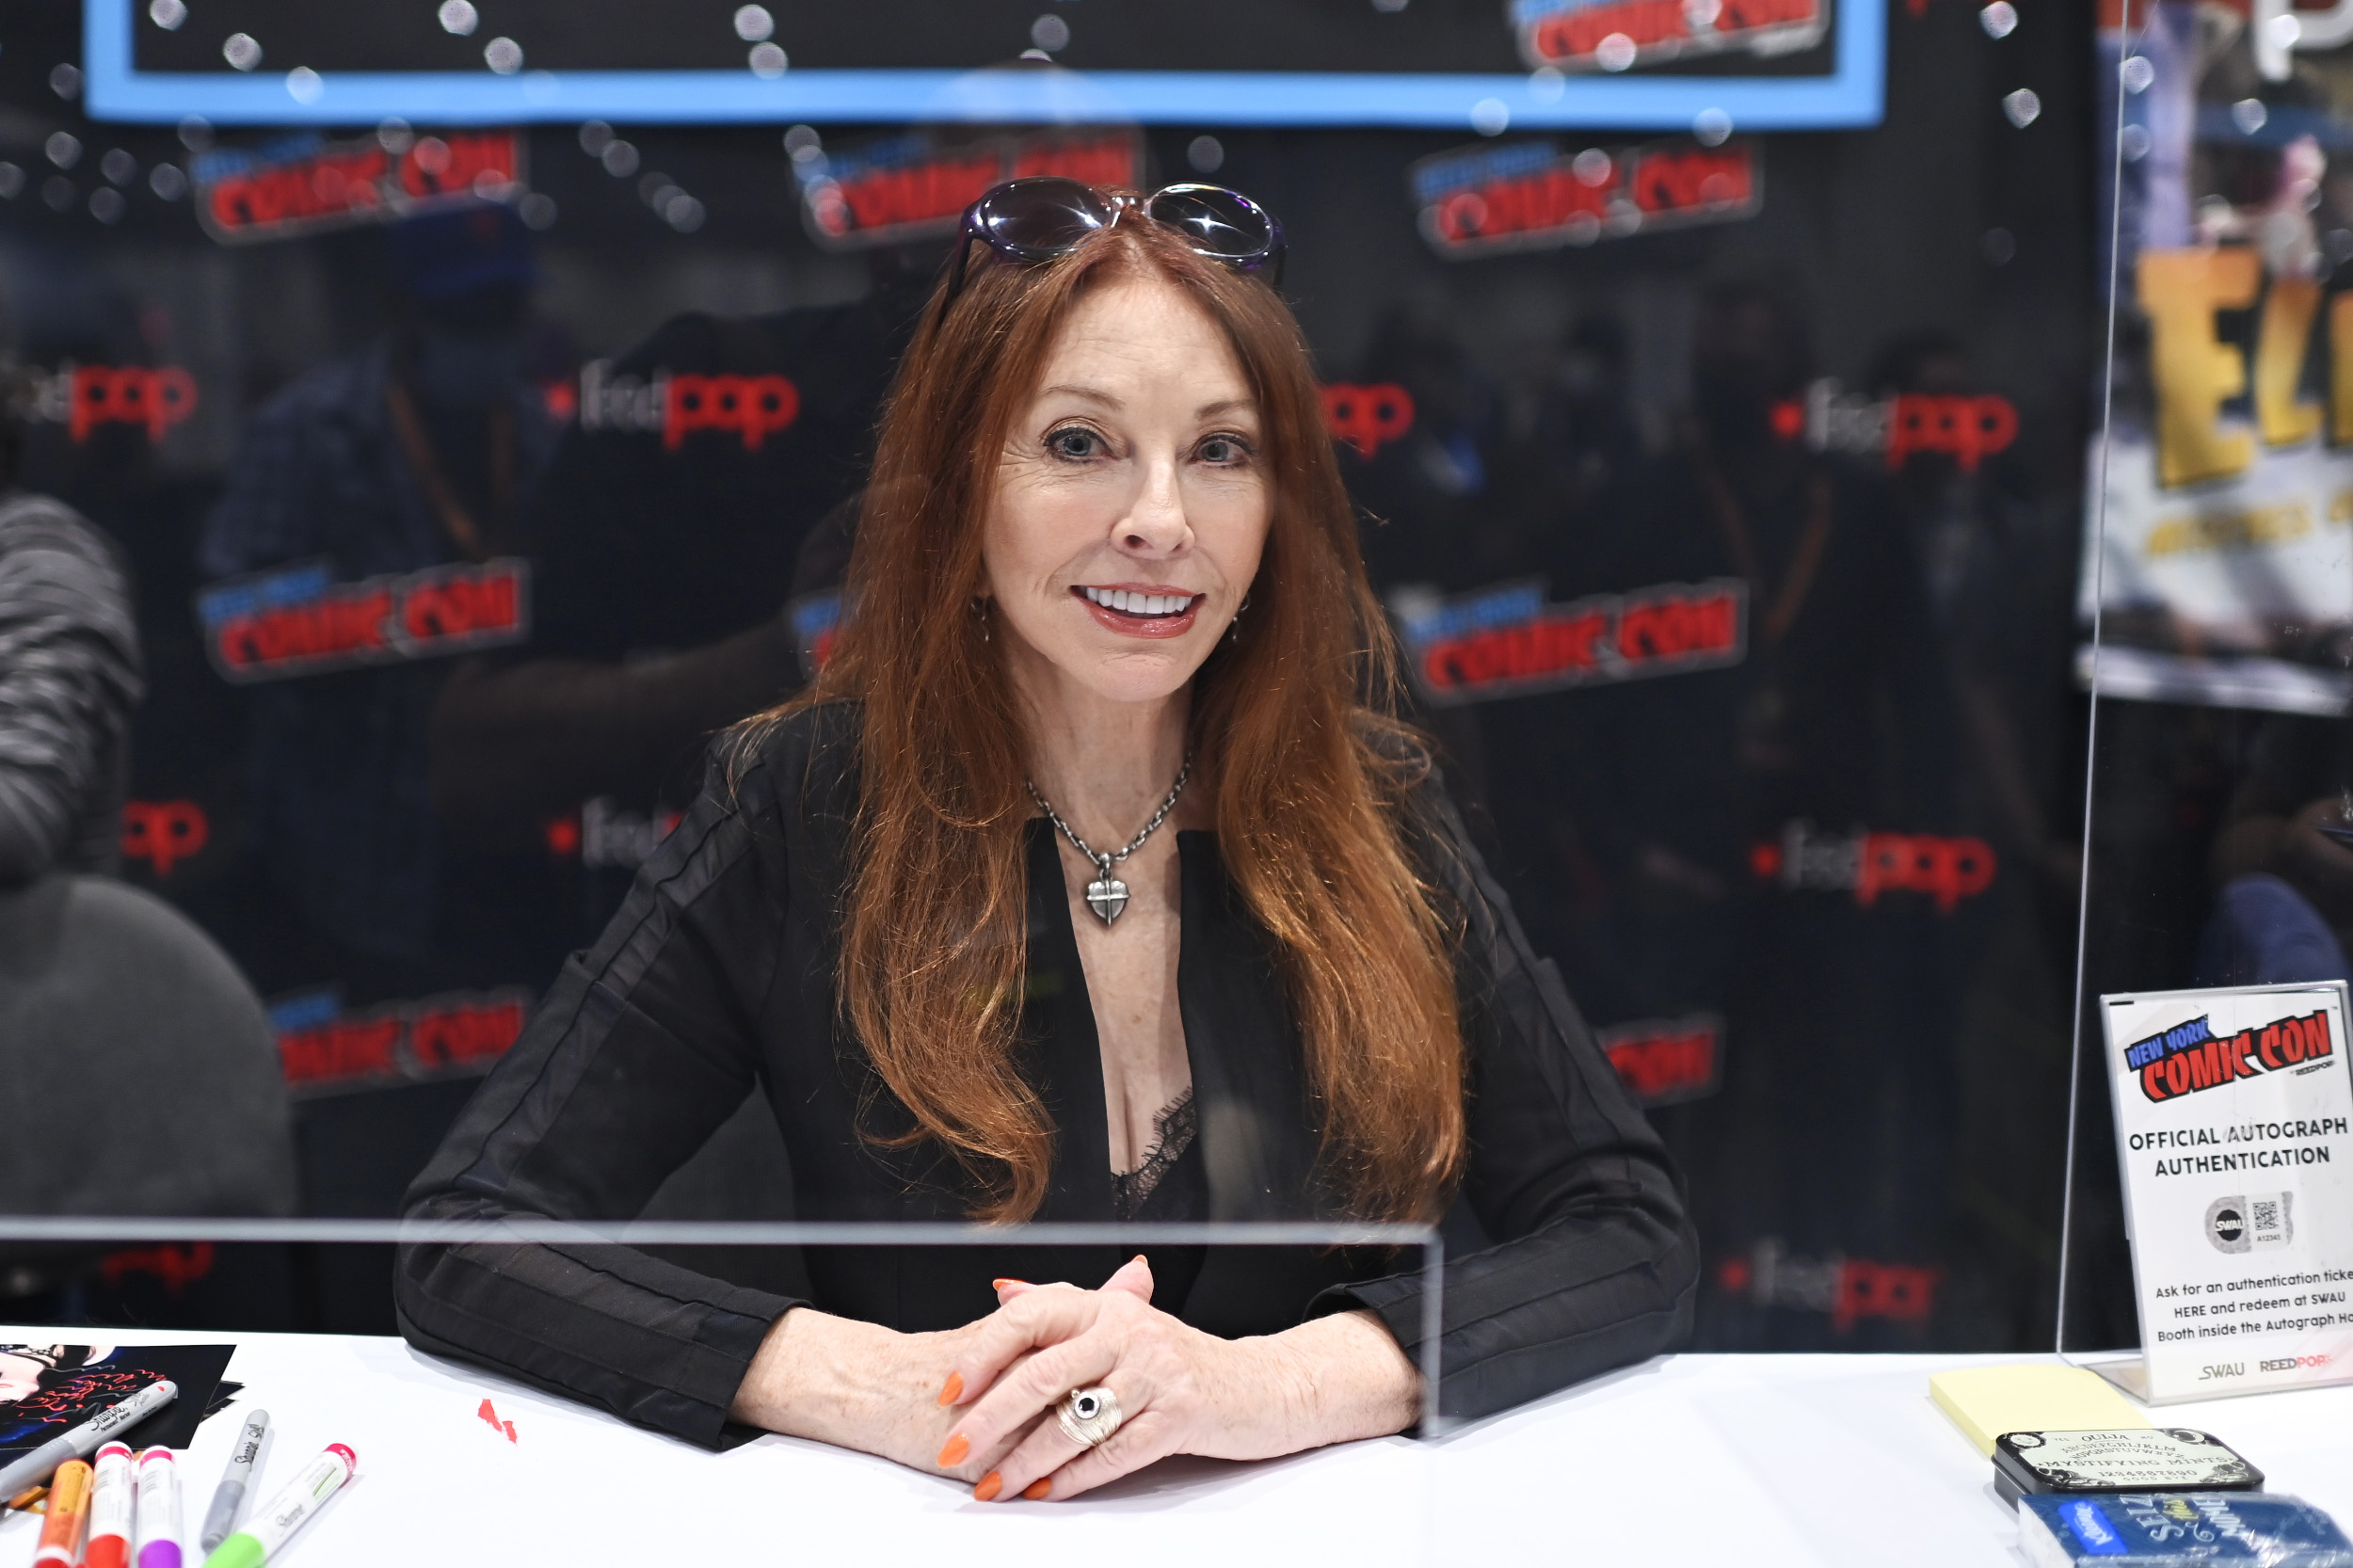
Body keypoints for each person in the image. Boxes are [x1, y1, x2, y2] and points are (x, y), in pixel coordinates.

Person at [396, 178, 1695, 1501]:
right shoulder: (800, 801)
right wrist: (880, 1384)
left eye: (1222, 450)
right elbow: (470, 1237)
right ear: (966, 483)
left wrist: (1267, 1384)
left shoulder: (1376, 805)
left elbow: (1627, 1227)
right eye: (1079, 444)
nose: (1160, 520)